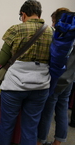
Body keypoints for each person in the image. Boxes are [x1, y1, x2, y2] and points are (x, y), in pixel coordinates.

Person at [0, 0, 53, 145]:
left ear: (23, 14)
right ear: (39, 14)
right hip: (41, 86)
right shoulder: (51, 32)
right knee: (30, 127)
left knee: (7, 125)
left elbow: (2, 59)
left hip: (14, 86)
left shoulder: (16, 29)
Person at [37, 8, 75, 145]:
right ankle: (59, 141)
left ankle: (40, 140)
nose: (52, 25)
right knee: (62, 110)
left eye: (53, 21)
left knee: (47, 111)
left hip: (56, 79)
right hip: (70, 79)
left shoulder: (61, 37)